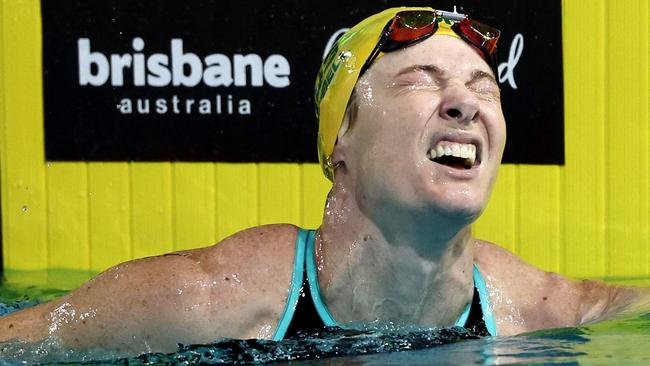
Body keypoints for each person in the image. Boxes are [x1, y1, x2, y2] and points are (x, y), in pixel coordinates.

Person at [0, 6, 647, 356]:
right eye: (422, 80)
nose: (465, 104)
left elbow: (616, 307)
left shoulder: (521, 306)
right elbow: (24, 340)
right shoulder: (216, 297)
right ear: (342, 142)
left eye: (483, 87)